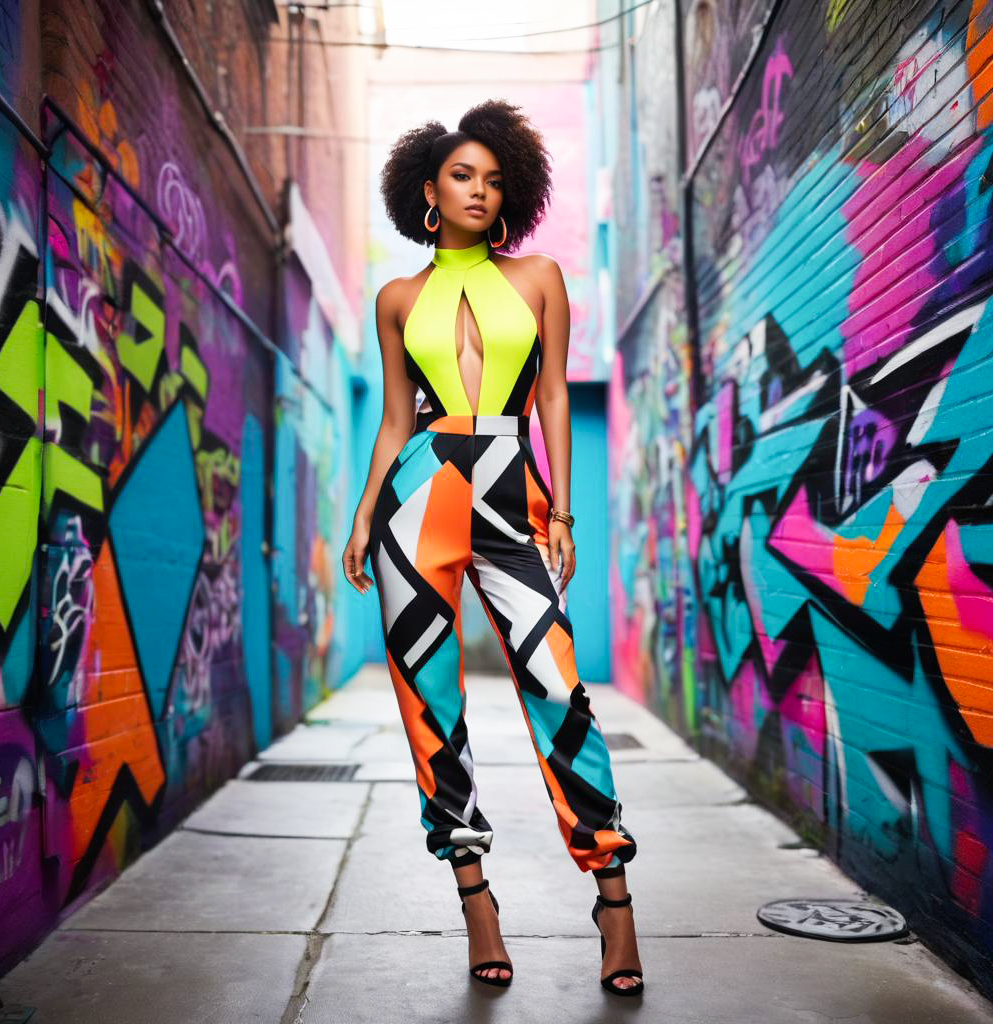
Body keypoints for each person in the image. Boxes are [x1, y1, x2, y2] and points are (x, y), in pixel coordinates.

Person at [341, 99, 643, 997]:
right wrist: (364, 516)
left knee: (558, 689)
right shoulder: (399, 300)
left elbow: (553, 399)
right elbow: (397, 417)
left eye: (494, 177)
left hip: (514, 487)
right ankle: (476, 898)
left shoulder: (540, 276)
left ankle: (614, 901)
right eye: (462, 176)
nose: (479, 189)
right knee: (430, 705)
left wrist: (564, 513)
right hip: (418, 494)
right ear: (428, 192)